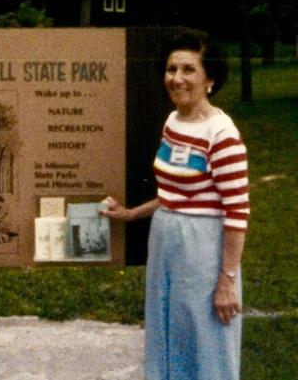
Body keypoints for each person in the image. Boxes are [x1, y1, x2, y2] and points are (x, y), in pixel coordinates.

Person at [101, 28, 249, 380]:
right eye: (171, 69)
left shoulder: (222, 135)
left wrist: (226, 280)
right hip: (166, 242)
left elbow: (237, 213)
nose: (177, 79)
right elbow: (173, 194)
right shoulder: (173, 121)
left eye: (188, 70)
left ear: (210, 78)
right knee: (167, 331)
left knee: (206, 338)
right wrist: (130, 214)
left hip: (204, 250)